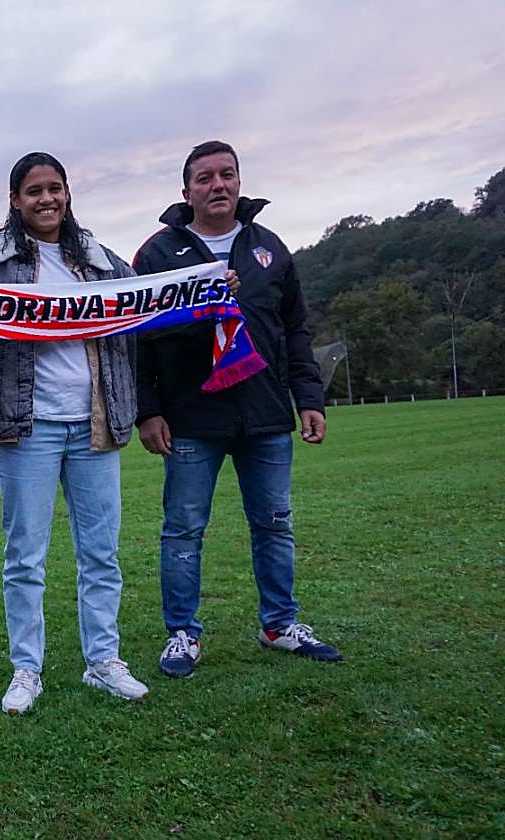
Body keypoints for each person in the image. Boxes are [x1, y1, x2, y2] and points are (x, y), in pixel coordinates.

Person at [0, 151, 149, 714]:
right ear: (14, 200)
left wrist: (211, 287)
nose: (46, 199)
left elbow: (157, 297)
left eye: (55, 189)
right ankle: (27, 669)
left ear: (67, 193)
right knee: (25, 556)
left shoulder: (98, 260)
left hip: (96, 421)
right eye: (33, 191)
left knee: (101, 553)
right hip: (27, 428)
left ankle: (104, 661)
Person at [132, 140, 343, 680]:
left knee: (274, 523)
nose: (217, 185)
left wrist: (309, 397)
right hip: (191, 416)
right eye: (204, 178)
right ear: (186, 191)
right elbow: (139, 340)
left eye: (227, 175)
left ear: (239, 182)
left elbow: (294, 330)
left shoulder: (269, 248)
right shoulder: (157, 255)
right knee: (182, 527)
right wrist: (148, 410)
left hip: (265, 412)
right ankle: (182, 632)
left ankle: (278, 623)